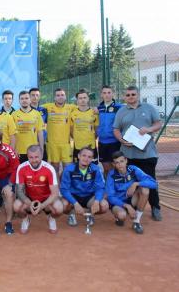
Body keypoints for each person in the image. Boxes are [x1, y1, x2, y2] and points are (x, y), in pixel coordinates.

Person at [113, 85, 162, 221]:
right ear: (124, 97)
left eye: (133, 94)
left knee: (150, 181)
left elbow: (158, 124)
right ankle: (131, 207)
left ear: (138, 95)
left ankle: (155, 207)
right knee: (128, 183)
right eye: (128, 95)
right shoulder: (122, 111)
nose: (130, 97)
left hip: (147, 154)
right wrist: (121, 140)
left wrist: (148, 129)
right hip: (128, 155)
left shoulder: (149, 108)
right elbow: (116, 129)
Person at [12, 145, 63, 234]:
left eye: (36, 157)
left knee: (59, 208)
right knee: (16, 206)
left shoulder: (49, 168)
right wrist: (30, 204)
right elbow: (19, 191)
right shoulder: (21, 168)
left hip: (46, 199)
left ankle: (51, 218)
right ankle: (26, 219)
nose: (34, 160)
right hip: (30, 198)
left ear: (42, 155)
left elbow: (55, 193)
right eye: (31, 157)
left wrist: (41, 206)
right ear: (27, 156)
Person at [106, 151, 158, 234]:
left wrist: (136, 184)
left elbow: (154, 183)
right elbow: (110, 197)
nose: (120, 165)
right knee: (122, 216)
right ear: (113, 164)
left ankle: (136, 222)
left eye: (122, 161)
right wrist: (126, 206)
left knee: (145, 189)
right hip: (118, 203)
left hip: (132, 199)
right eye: (117, 163)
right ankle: (119, 217)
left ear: (126, 160)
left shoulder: (133, 169)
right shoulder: (111, 175)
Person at [60, 147, 108, 227]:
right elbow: (64, 189)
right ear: (79, 156)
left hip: (89, 197)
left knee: (104, 206)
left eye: (89, 157)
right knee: (63, 205)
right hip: (73, 196)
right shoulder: (69, 169)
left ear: (92, 159)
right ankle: (72, 214)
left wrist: (96, 201)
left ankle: (90, 214)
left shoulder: (96, 169)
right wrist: (75, 203)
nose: (86, 159)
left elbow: (100, 187)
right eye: (84, 155)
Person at [42, 88, 75, 176]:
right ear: (54, 98)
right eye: (58, 95)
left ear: (65, 97)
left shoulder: (71, 108)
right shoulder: (47, 107)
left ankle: (65, 187)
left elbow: (84, 108)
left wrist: (95, 109)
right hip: (52, 145)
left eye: (62, 95)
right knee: (55, 169)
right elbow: (35, 108)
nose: (60, 97)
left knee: (68, 169)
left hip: (66, 144)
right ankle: (58, 188)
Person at [12, 91, 44, 163]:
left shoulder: (37, 114)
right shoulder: (14, 115)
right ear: (19, 100)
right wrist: (13, 149)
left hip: (33, 151)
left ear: (30, 100)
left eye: (26, 98)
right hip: (19, 151)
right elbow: (12, 134)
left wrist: (41, 149)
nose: (24, 100)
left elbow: (40, 133)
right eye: (22, 98)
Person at [70, 89, 99, 163]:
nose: (82, 100)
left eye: (84, 98)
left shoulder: (94, 112)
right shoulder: (73, 113)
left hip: (91, 145)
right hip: (78, 146)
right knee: (77, 169)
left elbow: (96, 128)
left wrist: (93, 137)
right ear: (77, 100)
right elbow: (71, 129)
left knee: (92, 169)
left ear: (88, 99)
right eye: (80, 98)